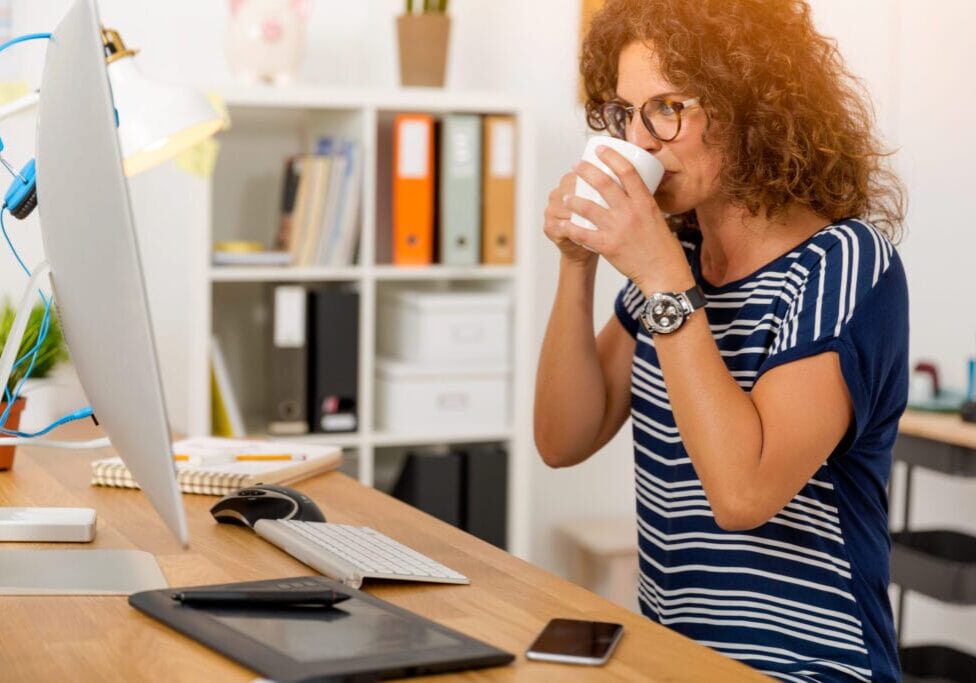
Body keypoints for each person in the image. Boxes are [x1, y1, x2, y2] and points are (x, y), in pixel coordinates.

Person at [534, 1, 908, 680]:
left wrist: (661, 274)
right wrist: (576, 262)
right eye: (626, 113)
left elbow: (742, 494)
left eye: (668, 107)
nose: (641, 143)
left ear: (750, 104)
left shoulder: (845, 264)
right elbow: (562, 438)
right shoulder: (679, 262)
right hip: (674, 663)